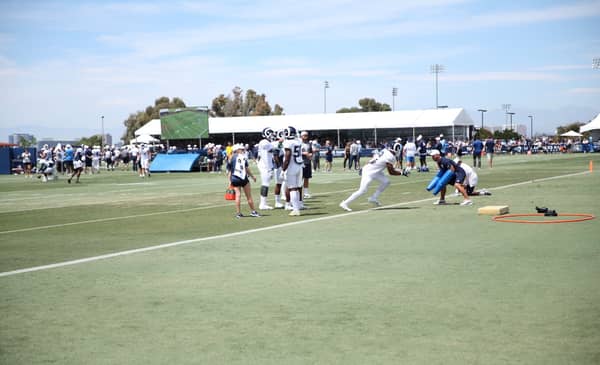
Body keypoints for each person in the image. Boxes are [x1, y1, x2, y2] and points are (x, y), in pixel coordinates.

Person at [339, 147, 409, 212]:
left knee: (386, 181)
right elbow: (391, 172)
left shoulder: (385, 150)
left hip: (375, 171)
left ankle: (373, 198)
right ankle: (344, 203)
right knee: (362, 190)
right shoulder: (390, 157)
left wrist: (400, 171)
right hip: (369, 172)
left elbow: (375, 158)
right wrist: (401, 173)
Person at [228, 144, 260, 219]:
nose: (243, 150)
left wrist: (229, 181)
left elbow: (229, 171)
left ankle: (238, 213)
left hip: (234, 178)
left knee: (238, 195)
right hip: (243, 178)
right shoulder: (243, 157)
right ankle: (253, 211)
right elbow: (246, 169)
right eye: (241, 149)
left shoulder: (230, 158)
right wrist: (252, 176)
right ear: (237, 150)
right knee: (249, 196)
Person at [282, 126, 303, 216]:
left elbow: (287, 157)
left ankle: (295, 209)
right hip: (299, 166)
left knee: (292, 188)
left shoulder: (287, 143)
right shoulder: (298, 141)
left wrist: (283, 169)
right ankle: (297, 206)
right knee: (297, 188)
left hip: (291, 167)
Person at [257, 127, 275, 210]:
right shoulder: (264, 142)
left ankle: (263, 203)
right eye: (271, 133)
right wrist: (269, 168)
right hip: (265, 165)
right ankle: (262, 204)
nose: (272, 135)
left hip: (265, 164)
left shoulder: (267, 142)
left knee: (266, 184)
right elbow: (265, 157)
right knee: (265, 184)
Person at [300, 130, 313, 199]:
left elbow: (310, 151)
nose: (306, 137)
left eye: (306, 135)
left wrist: (310, 154)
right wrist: (304, 153)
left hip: (308, 162)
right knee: (300, 178)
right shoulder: (299, 143)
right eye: (304, 135)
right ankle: (299, 193)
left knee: (307, 178)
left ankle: (306, 192)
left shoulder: (309, 143)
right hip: (301, 163)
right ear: (301, 136)